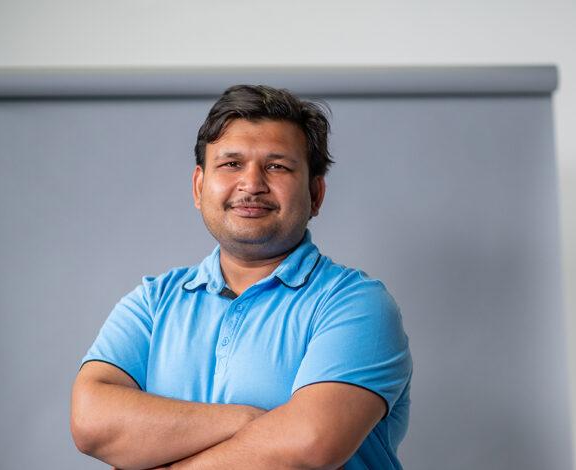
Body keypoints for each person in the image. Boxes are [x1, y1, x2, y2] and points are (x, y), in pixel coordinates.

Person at [70, 85, 412, 470]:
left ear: (316, 193)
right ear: (199, 187)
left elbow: (307, 446)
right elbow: (91, 423)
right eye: (231, 164)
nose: (252, 184)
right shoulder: (153, 302)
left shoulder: (356, 305)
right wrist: (251, 421)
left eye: (277, 166)